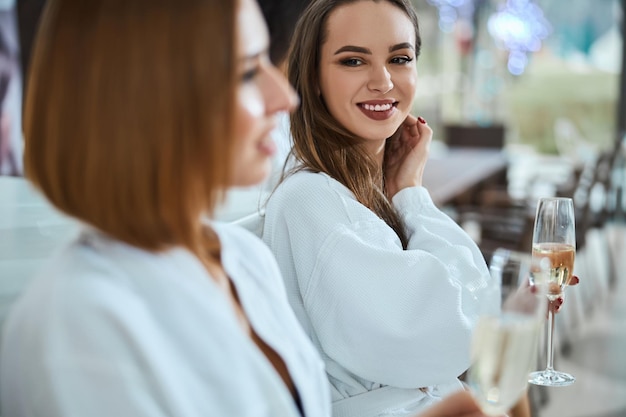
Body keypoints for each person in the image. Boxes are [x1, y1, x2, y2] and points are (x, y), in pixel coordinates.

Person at [0, 0, 498, 417]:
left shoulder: (240, 259)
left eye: (401, 58)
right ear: (143, 95)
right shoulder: (78, 326)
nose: (283, 96)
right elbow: (444, 331)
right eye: (245, 72)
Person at [261, 0, 498, 416]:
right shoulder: (311, 200)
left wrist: (404, 188)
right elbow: (459, 331)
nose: (383, 81)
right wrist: (412, 196)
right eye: (353, 61)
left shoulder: (357, 193)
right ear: (313, 77)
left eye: (400, 58)